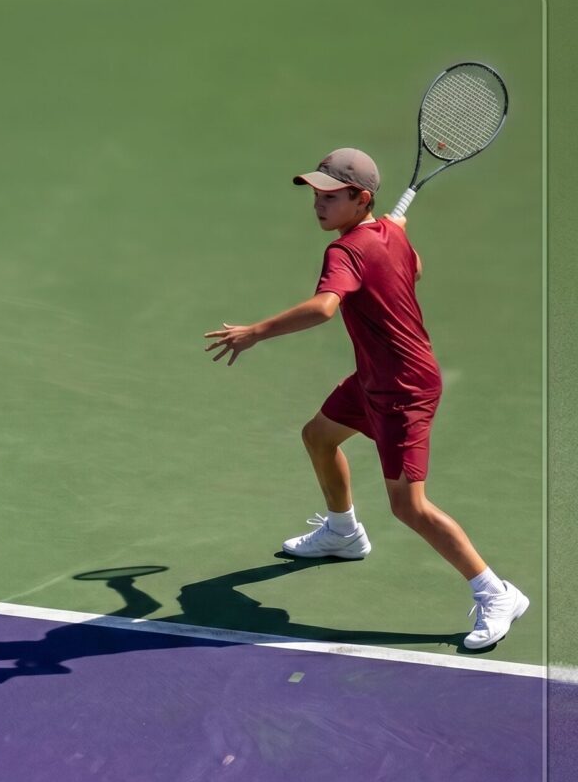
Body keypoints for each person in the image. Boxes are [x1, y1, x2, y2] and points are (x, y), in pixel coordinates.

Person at [204, 148, 528, 651]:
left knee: (409, 507)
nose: (319, 204)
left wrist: (256, 332)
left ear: (362, 199)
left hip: (403, 389)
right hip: (375, 378)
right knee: (318, 437)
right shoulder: (391, 235)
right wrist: (387, 240)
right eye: (316, 194)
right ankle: (343, 533)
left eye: (331, 196)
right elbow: (414, 269)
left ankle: (496, 592)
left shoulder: (344, 252)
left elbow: (324, 308)